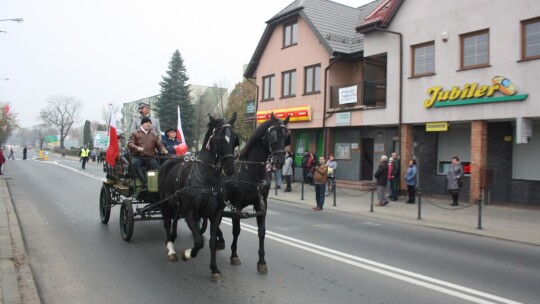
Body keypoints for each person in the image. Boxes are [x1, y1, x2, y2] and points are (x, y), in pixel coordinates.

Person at [127, 117, 168, 184]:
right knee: (135, 163)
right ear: (142, 124)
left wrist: (163, 149)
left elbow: (159, 144)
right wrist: (137, 148)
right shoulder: (135, 133)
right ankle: (143, 181)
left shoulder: (154, 134)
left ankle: (155, 183)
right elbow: (129, 144)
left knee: (155, 165)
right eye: (147, 123)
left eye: (150, 123)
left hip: (150, 157)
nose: (149, 124)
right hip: (138, 156)